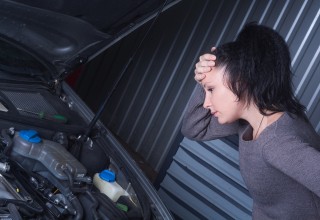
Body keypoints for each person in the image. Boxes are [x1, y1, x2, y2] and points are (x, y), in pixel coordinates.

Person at [181, 23, 320, 219]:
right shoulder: (252, 119)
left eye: (211, 90)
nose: (206, 103)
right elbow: (193, 129)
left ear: (242, 80)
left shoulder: (276, 144)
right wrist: (202, 80)